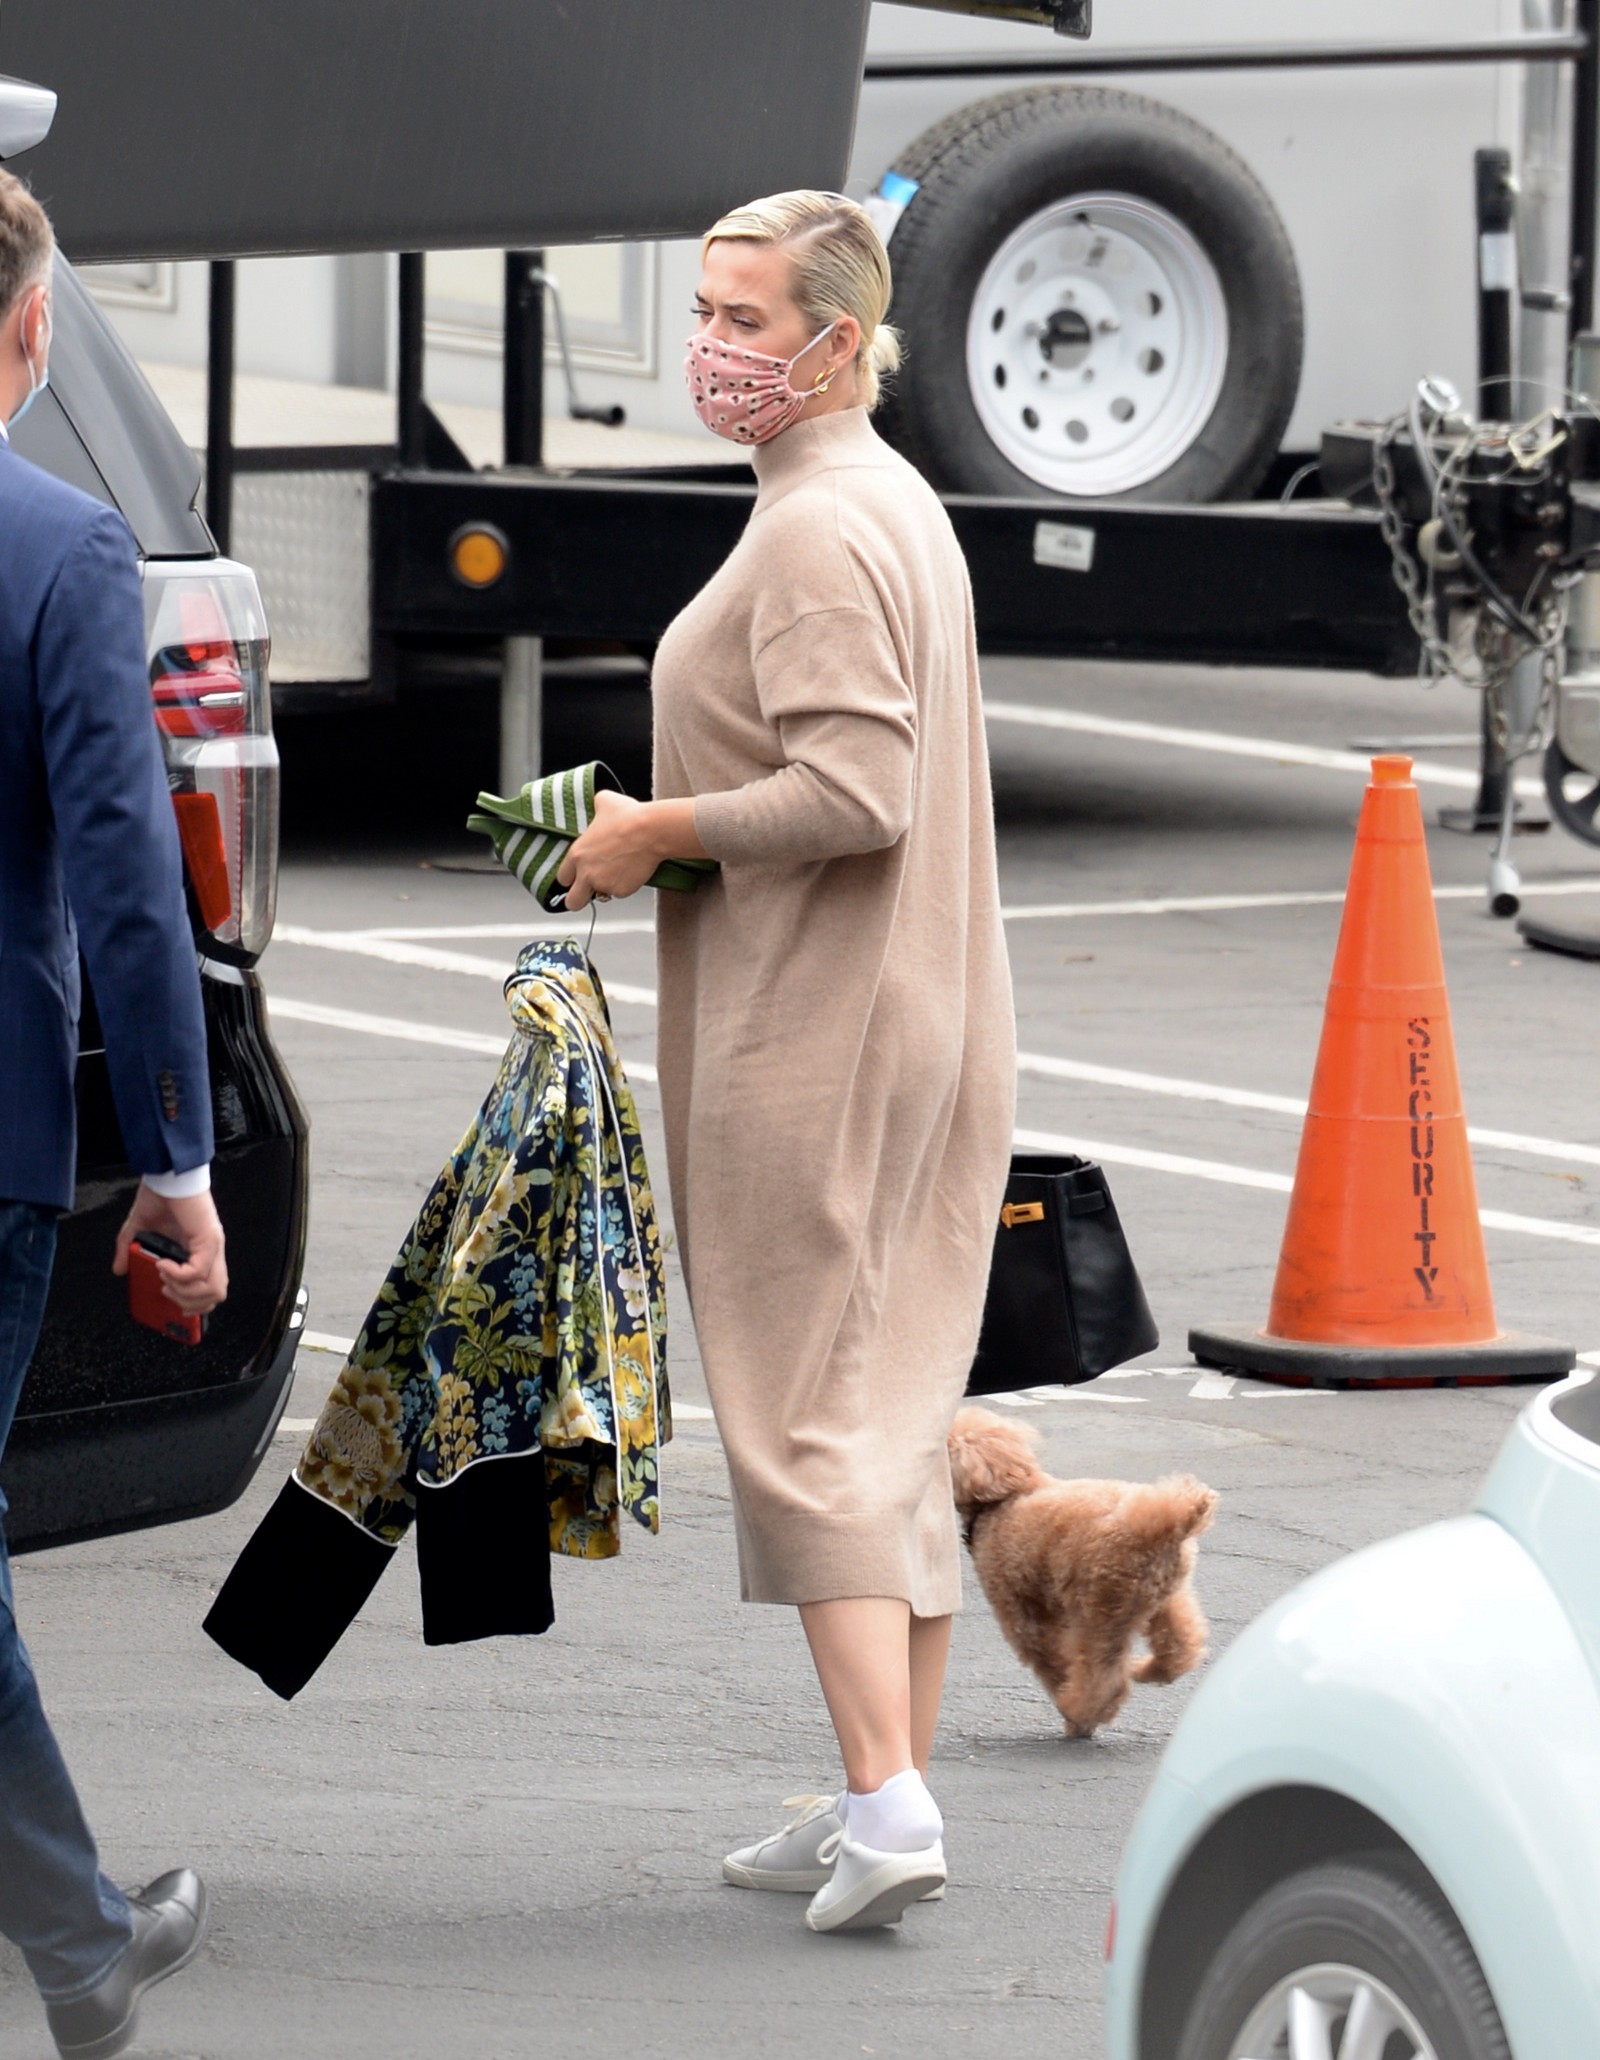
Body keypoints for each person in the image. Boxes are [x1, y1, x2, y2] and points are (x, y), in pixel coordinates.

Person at [558, 189, 1015, 1932]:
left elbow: (856, 789)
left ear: (838, 339)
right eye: (704, 311)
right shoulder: (887, 496)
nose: (712, 349)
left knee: (808, 1414)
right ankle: (884, 1789)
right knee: (887, 1414)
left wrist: (650, 829)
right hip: (921, 1014)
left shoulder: (820, 527)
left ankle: (887, 1799)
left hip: (817, 1028)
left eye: (744, 321)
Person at [0, 169, 228, 2057]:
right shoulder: (62, 546)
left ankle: (80, 1938)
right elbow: (129, 881)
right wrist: (176, 1156)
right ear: (28, 330)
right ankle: (80, 1949)